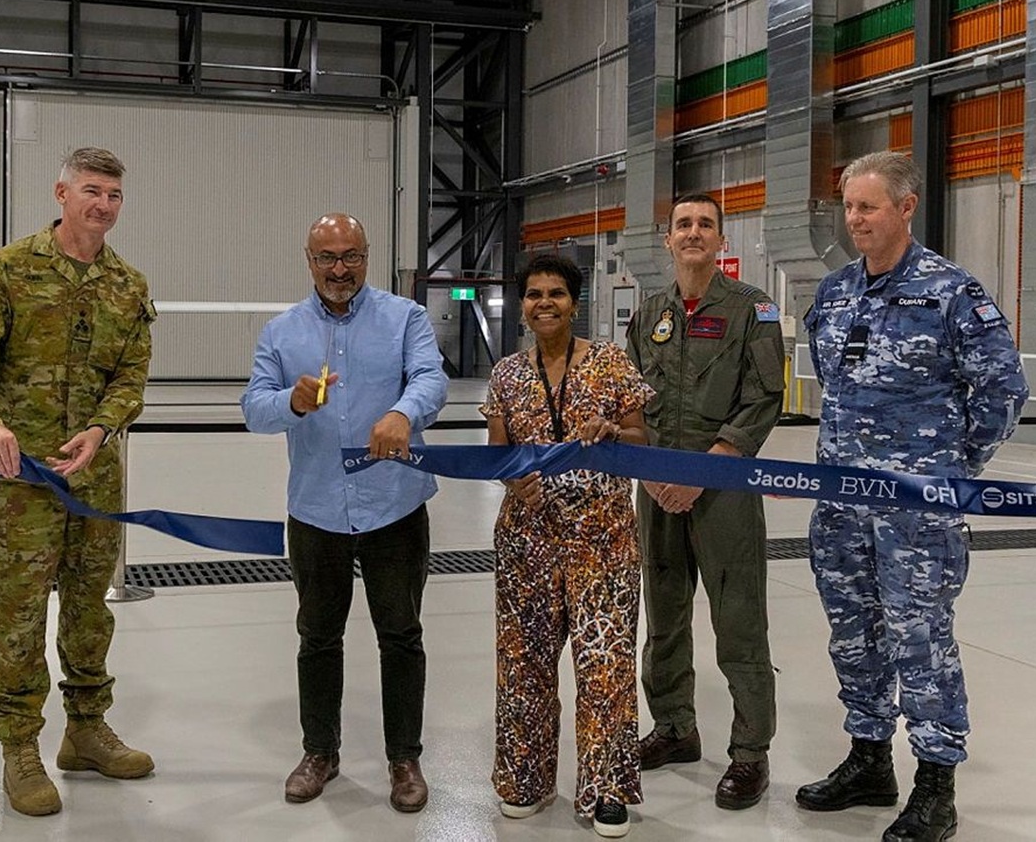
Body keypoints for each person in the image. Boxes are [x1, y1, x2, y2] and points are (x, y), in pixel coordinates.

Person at [798, 151, 1029, 842]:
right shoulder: (836, 291)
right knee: (852, 633)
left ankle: (936, 785)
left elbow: (1002, 391)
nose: (855, 219)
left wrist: (952, 468)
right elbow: (832, 384)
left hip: (915, 511)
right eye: (849, 207)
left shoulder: (952, 292)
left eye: (868, 206)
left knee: (921, 640)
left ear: (905, 207)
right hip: (840, 504)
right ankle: (869, 759)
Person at [0, 147, 157, 818]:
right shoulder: (11, 269)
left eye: (114, 195)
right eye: (92, 191)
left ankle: (86, 730)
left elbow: (131, 375)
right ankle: (19, 748)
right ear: (61, 193)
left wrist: (102, 427)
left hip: (95, 478)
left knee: (92, 606)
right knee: (18, 614)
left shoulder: (128, 284)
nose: (104, 205)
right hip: (21, 480)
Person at [241, 212, 448, 814]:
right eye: (327, 257)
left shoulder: (404, 318)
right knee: (317, 637)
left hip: (395, 507)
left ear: (366, 256)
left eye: (351, 256)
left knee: (402, 635)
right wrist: (291, 401)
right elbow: (254, 408)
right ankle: (320, 753)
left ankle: (404, 758)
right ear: (309, 261)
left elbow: (431, 379)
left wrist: (405, 413)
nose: (340, 269)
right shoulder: (281, 333)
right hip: (316, 510)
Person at [482, 253, 654, 839]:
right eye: (533, 294)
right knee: (524, 664)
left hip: (602, 540)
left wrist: (613, 433)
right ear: (523, 306)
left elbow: (639, 437)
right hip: (526, 542)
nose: (545, 302)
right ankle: (524, 779)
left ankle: (606, 788)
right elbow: (497, 451)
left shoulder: (610, 364)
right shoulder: (506, 374)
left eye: (556, 292)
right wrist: (513, 478)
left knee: (605, 666)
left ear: (575, 303)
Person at [625, 193, 785, 811]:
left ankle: (749, 753)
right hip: (656, 489)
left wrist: (703, 473)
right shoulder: (648, 315)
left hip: (725, 491)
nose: (693, 233)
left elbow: (762, 399)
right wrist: (655, 473)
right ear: (667, 240)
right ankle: (674, 726)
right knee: (663, 615)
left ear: (723, 240)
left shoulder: (753, 311)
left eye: (705, 225)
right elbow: (633, 399)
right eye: (682, 225)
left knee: (739, 620)